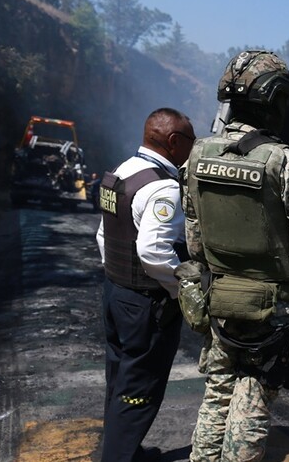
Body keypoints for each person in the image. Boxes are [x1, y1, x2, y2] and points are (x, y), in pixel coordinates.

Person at [182, 50, 289, 461]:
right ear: (273, 101)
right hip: (272, 307)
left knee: (218, 392)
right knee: (253, 395)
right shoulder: (285, 162)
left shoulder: (199, 154)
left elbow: (194, 240)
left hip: (219, 299)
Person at [96, 107, 196, 461]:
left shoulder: (122, 171)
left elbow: (105, 235)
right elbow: (153, 251)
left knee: (119, 379)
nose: (193, 147)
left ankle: (125, 450)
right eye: (191, 140)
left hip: (116, 293)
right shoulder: (164, 187)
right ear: (173, 142)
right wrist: (180, 289)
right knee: (139, 389)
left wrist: (117, 277)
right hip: (145, 304)